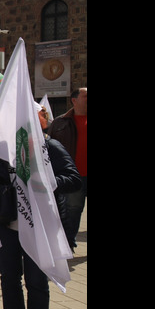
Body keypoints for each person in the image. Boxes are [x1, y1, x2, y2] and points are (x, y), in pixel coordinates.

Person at [0, 115, 81, 309]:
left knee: (37, 281)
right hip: (8, 223)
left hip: (39, 225)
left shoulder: (50, 146)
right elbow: (0, 181)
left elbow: (73, 179)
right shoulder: (4, 149)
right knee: (9, 277)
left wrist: (42, 182)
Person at [49, 87, 87, 250]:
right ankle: (68, 243)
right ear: (74, 100)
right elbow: (48, 149)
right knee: (72, 210)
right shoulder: (60, 122)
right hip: (74, 176)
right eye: (86, 96)